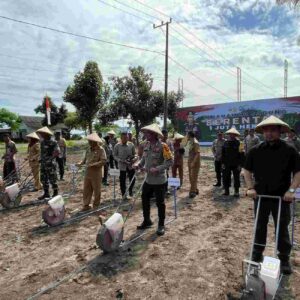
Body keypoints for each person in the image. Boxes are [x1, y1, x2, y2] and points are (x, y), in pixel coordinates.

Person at [244, 115, 300, 275]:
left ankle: (284, 259)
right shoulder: (256, 151)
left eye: (273, 130)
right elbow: (246, 170)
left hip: (282, 198)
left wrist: (291, 190)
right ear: (262, 132)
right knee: (259, 227)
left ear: (280, 131)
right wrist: (250, 188)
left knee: (282, 228)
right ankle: (256, 255)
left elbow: (298, 172)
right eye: (266, 130)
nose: (269, 133)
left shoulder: (290, 150)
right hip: (260, 197)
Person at [134, 123, 173, 236]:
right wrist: (138, 164)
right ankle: (147, 221)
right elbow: (143, 159)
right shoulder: (146, 145)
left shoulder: (163, 146)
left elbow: (170, 161)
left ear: (154, 134)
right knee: (144, 199)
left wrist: (158, 168)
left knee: (160, 203)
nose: (145, 134)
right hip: (148, 180)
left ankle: (161, 225)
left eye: (147, 133)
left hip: (159, 181)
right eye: (145, 132)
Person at [77, 133, 107, 211]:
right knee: (86, 189)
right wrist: (80, 163)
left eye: (90, 141)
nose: (89, 142)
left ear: (94, 141)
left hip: (96, 173)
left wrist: (94, 164)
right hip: (88, 172)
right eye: (89, 141)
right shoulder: (88, 149)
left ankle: (96, 205)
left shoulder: (101, 149)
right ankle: (86, 205)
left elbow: (103, 161)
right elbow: (84, 160)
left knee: (97, 189)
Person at [36, 127, 60, 199]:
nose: (40, 135)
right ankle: (46, 193)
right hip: (43, 164)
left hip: (50, 164)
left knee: (52, 178)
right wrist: (41, 159)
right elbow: (43, 152)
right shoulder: (42, 142)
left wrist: (51, 159)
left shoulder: (53, 142)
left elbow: (57, 152)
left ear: (46, 134)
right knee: (43, 179)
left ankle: (55, 193)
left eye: (42, 134)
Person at [114, 132, 137, 200]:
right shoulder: (117, 146)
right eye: (124, 138)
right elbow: (115, 155)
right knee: (122, 181)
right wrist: (120, 160)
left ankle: (130, 190)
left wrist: (134, 159)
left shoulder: (131, 144)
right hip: (122, 166)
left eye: (126, 138)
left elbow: (135, 154)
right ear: (121, 138)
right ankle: (124, 195)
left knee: (133, 179)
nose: (126, 139)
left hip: (130, 165)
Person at [222, 127, 241, 197]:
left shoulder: (239, 143)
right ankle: (227, 191)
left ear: (235, 135)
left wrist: (240, 164)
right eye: (230, 134)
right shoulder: (225, 143)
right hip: (227, 163)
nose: (231, 135)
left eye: (233, 134)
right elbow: (223, 154)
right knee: (226, 177)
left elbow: (241, 154)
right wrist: (223, 163)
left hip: (236, 164)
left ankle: (236, 192)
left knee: (236, 178)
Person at [187, 131, 201, 198]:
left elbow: (197, 153)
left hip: (194, 163)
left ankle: (192, 192)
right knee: (191, 177)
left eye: (187, 135)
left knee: (193, 177)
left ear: (190, 135)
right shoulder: (191, 142)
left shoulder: (195, 142)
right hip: (190, 162)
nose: (187, 136)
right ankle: (195, 189)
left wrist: (193, 162)